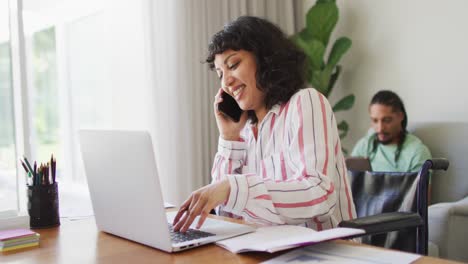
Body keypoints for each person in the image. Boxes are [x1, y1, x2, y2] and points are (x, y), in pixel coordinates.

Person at [173, 16, 356, 232]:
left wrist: (233, 188)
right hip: (267, 249)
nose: (226, 82)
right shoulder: (245, 131)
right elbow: (226, 213)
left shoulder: (305, 102)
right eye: (220, 74)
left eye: (233, 65)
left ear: (265, 58)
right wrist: (229, 140)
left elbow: (319, 195)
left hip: (325, 252)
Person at [351, 90, 431, 172]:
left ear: (401, 116)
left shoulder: (417, 153)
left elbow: (421, 185)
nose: (380, 128)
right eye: (375, 121)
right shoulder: (365, 145)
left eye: (387, 120)